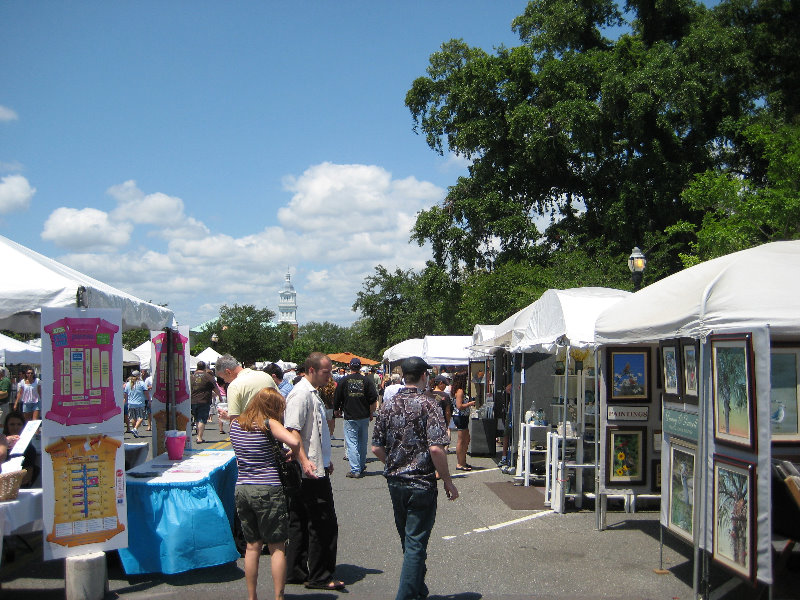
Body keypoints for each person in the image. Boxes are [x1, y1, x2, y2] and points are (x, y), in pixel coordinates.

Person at [371, 356, 458, 600]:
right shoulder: (429, 404)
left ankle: (418, 589)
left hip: (396, 481)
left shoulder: (388, 404)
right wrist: (448, 481)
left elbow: (376, 448)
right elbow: (436, 448)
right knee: (416, 542)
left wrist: (394, 463)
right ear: (423, 376)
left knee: (409, 540)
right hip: (421, 481)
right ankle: (407, 595)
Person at [229, 387, 311, 600]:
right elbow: (294, 441)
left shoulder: (236, 424)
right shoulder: (268, 423)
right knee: (277, 546)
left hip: (243, 486)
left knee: (252, 545)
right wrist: (293, 453)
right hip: (268, 487)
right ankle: (278, 596)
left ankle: (251, 596)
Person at [283, 352, 344, 591]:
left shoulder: (311, 393)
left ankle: (296, 571)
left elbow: (314, 433)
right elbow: (293, 431)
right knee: (322, 523)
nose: (329, 376)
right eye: (325, 371)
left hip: (314, 465)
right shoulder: (301, 394)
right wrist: (305, 461)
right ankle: (320, 575)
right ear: (311, 370)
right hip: (308, 470)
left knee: (299, 519)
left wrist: (324, 459)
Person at [333, 357, 378, 478]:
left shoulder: (344, 380)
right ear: (360, 366)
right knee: (362, 442)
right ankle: (361, 465)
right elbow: (373, 399)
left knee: (352, 443)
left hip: (350, 416)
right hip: (363, 415)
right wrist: (371, 412)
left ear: (349, 366)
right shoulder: (366, 381)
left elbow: (337, 397)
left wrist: (336, 409)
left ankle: (355, 469)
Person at [216, 354, 278, 420]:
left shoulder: (234, 386)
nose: (225, 381)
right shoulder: (266, 376)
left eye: (223, 378)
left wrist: (229, 418)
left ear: (228, 372)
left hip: (250, 428)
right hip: (273, 425)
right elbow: (280, 402)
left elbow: (234, 422)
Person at [2, 410, 38, 487]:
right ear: (6, 426)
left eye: (19, 424)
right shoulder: (1, 445)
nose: (15, 427)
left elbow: (27, 478)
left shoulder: (29, 449)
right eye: (12, 424)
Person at [451, 371, 475, 471]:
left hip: (462, 417)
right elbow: (459, 406)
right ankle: (460, 463)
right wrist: (470, 404)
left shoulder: (457, 390)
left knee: (466, 439)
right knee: (461, 440)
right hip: (460, 416)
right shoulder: (460, 391)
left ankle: (463, 461)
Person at [190, 361, 219, 444]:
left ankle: (198, 435)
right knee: (202, 419)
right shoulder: (208, 376)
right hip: (204, 400)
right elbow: (215, 387)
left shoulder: (191, 376)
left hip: (193, 400)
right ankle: (199, 437)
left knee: (197, 418)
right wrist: (219, 396)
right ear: (205, 367)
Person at [124, 371, 148, 437]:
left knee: (133, 418)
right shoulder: (141, 383)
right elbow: (146, 392)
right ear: (138, 376)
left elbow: (125, 394)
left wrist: (125, 401)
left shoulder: (128, 384)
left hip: (130, 403)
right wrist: (149, 399)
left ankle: (135, 431)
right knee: (141, 417)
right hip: (140, 403)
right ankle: (135, 428)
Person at [431, 374, 453, 447]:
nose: (445, 387)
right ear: (440, 383)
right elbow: (447, 412)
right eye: (445, 385)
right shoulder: (445, 396)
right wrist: (448, 424)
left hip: (428, 423)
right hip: (440, 423)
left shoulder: (427, 393)